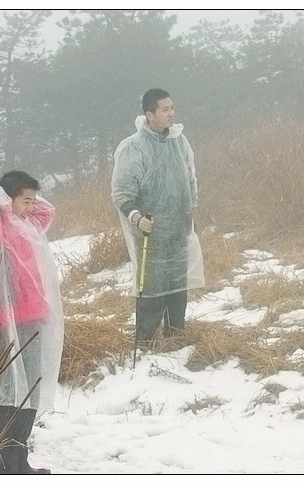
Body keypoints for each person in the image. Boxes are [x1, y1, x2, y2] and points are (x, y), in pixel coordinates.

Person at [0, 170, 64, 474]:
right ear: (7, 200)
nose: (31, 207)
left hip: (32, 315)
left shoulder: (27, 224)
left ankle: (18, 463)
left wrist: (24, 201)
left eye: (32, 201)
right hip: (8, 319)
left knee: (29, 393)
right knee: (11, 394)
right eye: (25, 201)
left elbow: (47, 211)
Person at [111, 88, 205, 345]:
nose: (171, 113)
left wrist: (191, 209)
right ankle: (147, 341)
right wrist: (136, 216)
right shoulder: (134, 147)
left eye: (172, 108)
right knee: (151, 286)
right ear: (150, 114)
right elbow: (121, 192)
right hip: (149, 231)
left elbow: (191, 178)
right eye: (165, 109)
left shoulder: (179, 141)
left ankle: (176, 336)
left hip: (179, 227)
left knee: (177, 284)